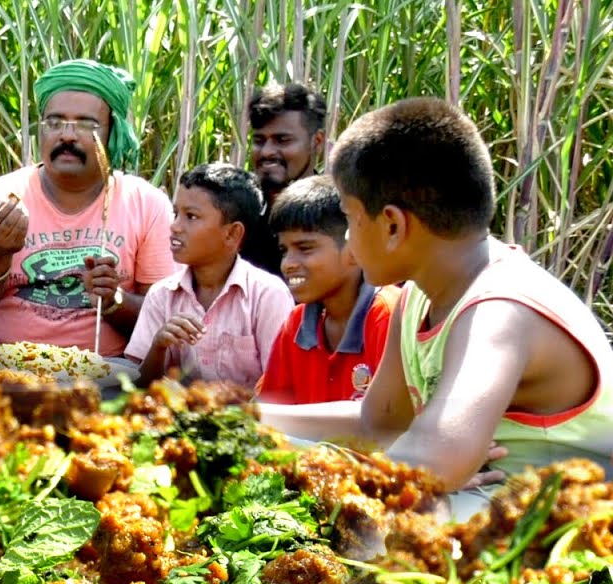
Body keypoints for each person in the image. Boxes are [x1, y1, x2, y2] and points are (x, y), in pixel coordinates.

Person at [258, 97, 613, 495]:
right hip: (481, 516)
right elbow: (378, 423)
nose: (348, 240)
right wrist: (245, 419)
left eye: (350, 219)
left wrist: (427, 466)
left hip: (562, 534)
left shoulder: (499, 310)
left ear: (392, 225)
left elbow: (435, 458)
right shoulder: (417, 299)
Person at [0, 59, 176, 356]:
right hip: (0, 368)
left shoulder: (147, 205)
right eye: (55, 123)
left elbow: (164, 321)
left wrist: (113, 301)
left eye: (86, 124)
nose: (67, 135)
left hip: (108, 375)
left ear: (114, 133)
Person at [125, 163, 293, 386]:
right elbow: (140, 387)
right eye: (176, 214)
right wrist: (159, 346)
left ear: (232, 233)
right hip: (178, 418)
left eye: (191, 216)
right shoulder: (162, 295)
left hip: (251, 418)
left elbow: (279, 384)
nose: (175, 226)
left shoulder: (268, 295)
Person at [256, 176, 400, 404]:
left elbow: (385, 421)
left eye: (305, 248)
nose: (287, 264)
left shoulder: (388, 316)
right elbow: (270, 408)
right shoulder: (296, 324)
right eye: (284, 250)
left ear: (354, 249)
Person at [242, 82, 327, 276]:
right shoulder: (239, 213)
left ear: (317, 141)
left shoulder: (338, 215)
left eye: (282, 140)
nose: (267, 152)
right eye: (259, 141)